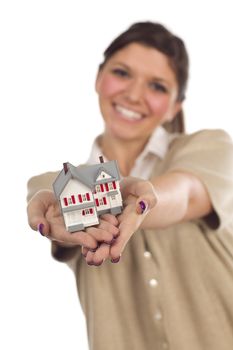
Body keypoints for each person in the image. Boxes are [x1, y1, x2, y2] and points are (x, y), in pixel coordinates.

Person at [27, 22, 233, 350]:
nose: (134, 95)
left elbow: (184, 195)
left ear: (175, 107)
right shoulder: (54, 187)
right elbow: (48, 203)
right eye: (122, 73)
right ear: (98, 78)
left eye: (157, 86)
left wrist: (138, 201)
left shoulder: (212, 148)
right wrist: (58, 210)